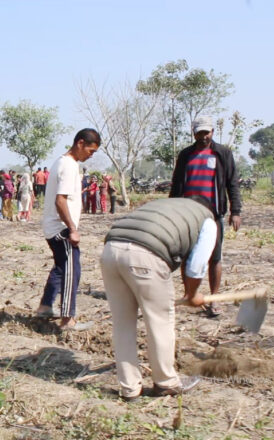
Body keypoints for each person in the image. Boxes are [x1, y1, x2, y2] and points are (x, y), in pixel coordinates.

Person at [100, 196, 216, 401]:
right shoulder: (207, 221)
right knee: (159, 321)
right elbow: (196, 265)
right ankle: (166, 383)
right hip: (146, 255)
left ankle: (130, 389)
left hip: (110, 251)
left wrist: (190, 293)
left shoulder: (166, 206)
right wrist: (191, 295)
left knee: (123, 324)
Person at [169, 115, 242, 317]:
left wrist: (236, 211)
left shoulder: (223, 154)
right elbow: (176, 185)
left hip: (213, 215)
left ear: (212, 132)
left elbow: (232, 184)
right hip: (187, 215)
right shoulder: (186, 155)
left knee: (214, 258)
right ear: (194, 133)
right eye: (199, 132)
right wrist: (172, 209)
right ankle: (189, 295)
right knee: (186, 256)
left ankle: (213, 299)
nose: (203, 136)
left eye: (206, 132)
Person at [35, 128, 101, 331]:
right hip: (61, 228)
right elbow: (60, 200)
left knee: (61, 267)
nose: (90, 155)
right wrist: (72, 228)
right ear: (80, 143)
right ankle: (68, 319)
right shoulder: (69, 165)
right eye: (91, 150)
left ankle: (45, 307)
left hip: (53, 226)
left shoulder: (61, 163)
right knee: (73, 271)